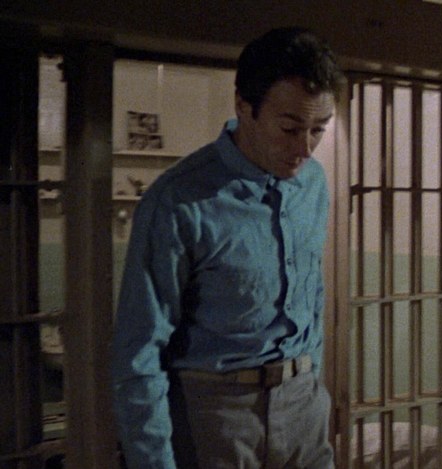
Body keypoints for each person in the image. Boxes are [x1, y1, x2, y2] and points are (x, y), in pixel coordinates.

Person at [111, 27, 344, 469]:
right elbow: (139, 349)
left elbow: (311, 295)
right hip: (215, 413)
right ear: (243, 106)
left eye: (318, 129)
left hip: (303, 404)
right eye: (290, 128)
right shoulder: (178, 200)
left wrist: (311, 385)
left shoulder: (313, 183)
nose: (305, 148)